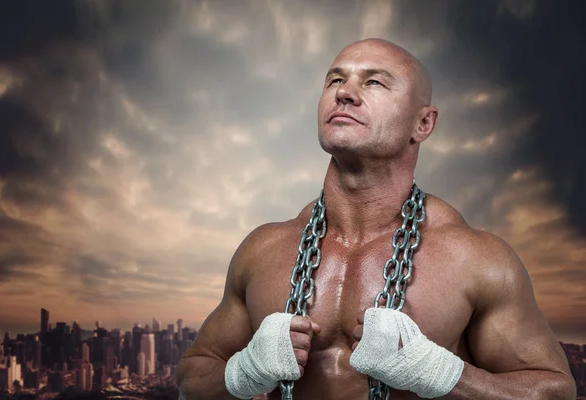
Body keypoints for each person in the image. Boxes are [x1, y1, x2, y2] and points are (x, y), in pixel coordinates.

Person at [175, 39, 576, 399]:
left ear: (423, 123)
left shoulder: (475, 258)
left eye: (374, 83)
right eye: (335, 80)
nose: (344, 94)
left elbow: (553, 391)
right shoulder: (262, 250)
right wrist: (242, 372)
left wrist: (442, 373)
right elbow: (192, 377)